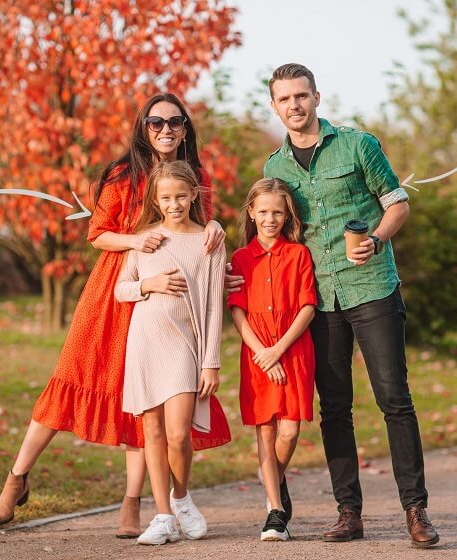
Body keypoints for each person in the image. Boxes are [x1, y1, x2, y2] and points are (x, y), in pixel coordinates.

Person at [0, 94, 232, 537]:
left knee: (146, 401)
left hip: (168, 309)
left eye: (175, 122)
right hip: (115, 290)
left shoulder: (196, 177)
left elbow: (197, 237)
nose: (165, 129)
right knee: (72, 377)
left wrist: (218, 230)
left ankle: (134, 503)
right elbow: (97, 235)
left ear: (185, 129)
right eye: (156, 121)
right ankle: (18, 475)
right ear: (143, 127)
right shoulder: (123, 175)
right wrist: (135, 241)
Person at [262, 63, 440, 548]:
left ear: (317, 97)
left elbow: (397, 202)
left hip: (372, 288)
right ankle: (349, 513)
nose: (294, 105)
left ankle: (416, 511)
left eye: (301, 95)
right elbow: (275, 232)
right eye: (284, 99)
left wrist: (377, 241)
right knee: (334, 408)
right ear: (274, 106)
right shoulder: (274, 168)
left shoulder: (360, 144)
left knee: (394, 400)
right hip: (316, 300)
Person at [115, 160, 227, 545]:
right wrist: (150, 283)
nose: (174, 204)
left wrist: (210, 361)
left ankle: (181, 498)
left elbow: (214, 304)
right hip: (145, 341)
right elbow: (121, 289)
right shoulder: (146, 238)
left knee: (179, 434)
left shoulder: (209, 240)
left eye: (181, 196)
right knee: (152, 431)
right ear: (156, 200)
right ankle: (162, 515)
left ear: (194, 194)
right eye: (166, 198)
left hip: (184, 344)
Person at [227, 178, 316, 542]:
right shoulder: (239, 258)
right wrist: (262, 354)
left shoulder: (298, 254)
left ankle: (272, 479)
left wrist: (278, 350)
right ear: (251, 212)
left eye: (277, 212)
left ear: (286, 215)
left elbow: (308, 305)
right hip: (256, 353)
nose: (270, 218)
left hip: (293, 351)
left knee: (290, 430)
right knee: (265, 430)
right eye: (263, 211)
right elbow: (237, 312)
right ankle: (275, 511)